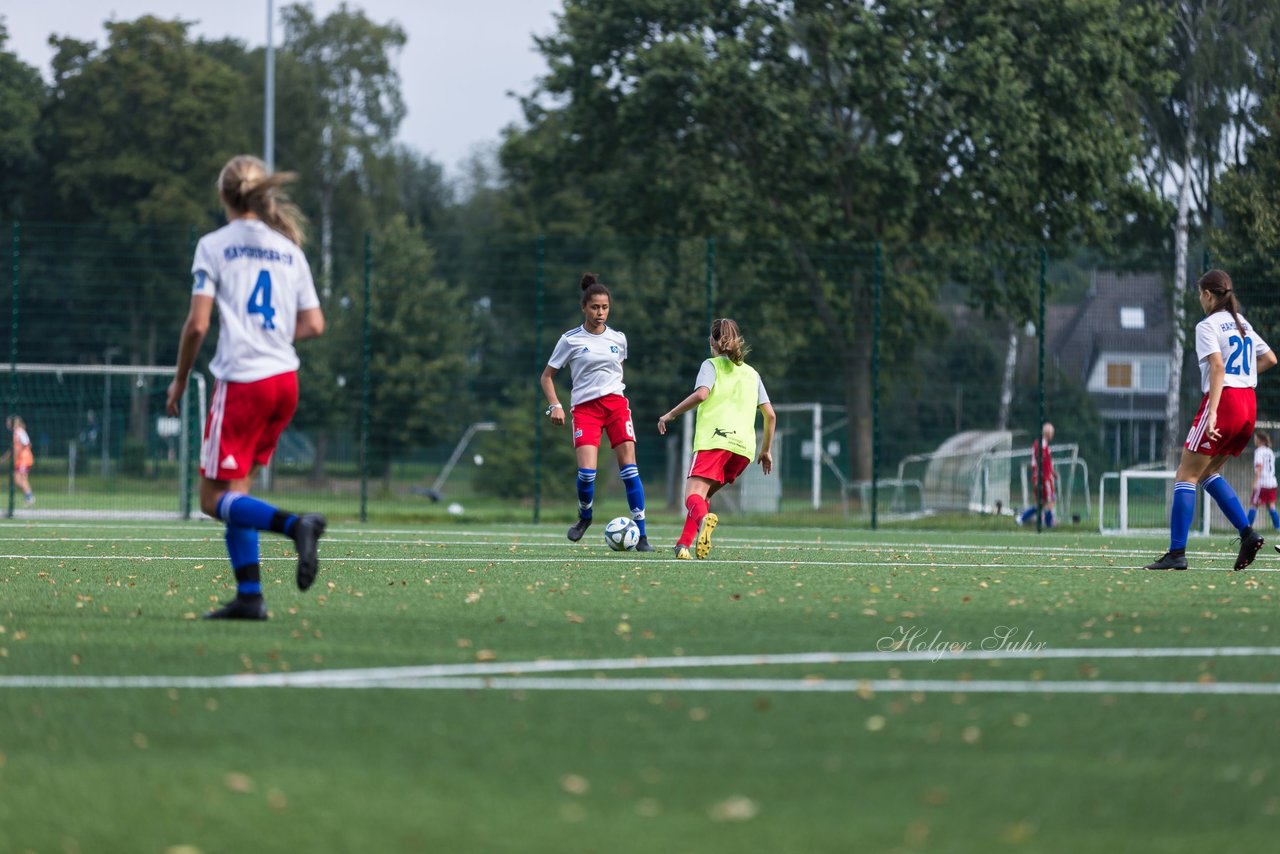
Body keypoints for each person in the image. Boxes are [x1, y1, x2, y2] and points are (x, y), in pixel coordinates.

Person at [165, 155, 328, 620]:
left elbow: (197, 326)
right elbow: (314, 324)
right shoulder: (289, 249)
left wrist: (179, 381)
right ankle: (250, 597)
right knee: (237, 493)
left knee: (212, 500)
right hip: (284, 383)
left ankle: (297, 526)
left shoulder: (214, 245)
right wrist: (273, 338)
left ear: (223, 195)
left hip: (243, 382)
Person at [1146, 269, 1277, 570]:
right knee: (1206, 474)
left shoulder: (1207, 326)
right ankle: (1247, 533)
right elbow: (1270, 358)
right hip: (1248, 406)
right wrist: (1244, 377)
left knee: (1185, 474)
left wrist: (1214, 412)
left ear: (1207, 294)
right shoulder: (1242, 323)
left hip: (1226, 401)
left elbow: (1217, 367)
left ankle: (1177, 553)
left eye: (1199, 295)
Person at [540, 273, 654, 551]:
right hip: (585, 410)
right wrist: (555, 405)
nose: (600, 312)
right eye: (594, 307)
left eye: (604, 307)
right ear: (584, 308)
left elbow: (617, 371)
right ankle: (585, 518)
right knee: (587, 474)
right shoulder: (570, 340)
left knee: (630, 470)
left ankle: (642, 535)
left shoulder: (619, 338)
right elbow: (546, 377)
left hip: (616, 406)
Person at [657, 318, 776, 560]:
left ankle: (703, 521)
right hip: (743, 450)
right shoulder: (753, 374)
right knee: (704, 496)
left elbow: (702, 394)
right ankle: (683, 546)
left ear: (712, 341)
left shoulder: (711, 365)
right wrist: (766, 451)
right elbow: (770, 415)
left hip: (714, 442)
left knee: (691, 495)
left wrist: (671, 414)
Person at [1017, 422, 1055, 528]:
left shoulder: (1041, 444)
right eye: (1052, 433)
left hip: (1042, 477)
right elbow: (1040, 462)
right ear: (1048, 433)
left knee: (1041, 504)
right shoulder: (1041, 445)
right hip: (1043, 478)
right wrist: (1041, 478)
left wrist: (1052, 472)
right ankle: (1049, 525)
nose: (1052, 435)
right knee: (1049, 501)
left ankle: (1021, 519)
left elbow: (1045, 463)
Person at [1248, 430, 1280, 532]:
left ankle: (1247, 528)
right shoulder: (1270, 451)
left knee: (1254, 504)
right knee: (1271, 505)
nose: (1255, 440)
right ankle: (1278, 527)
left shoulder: (1259, 451)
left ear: (1260, 440)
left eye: (1256, 438)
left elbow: (1259, 467)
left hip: (1262, 483)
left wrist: (1255, 483)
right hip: (1272, 482)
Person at [0, 415, 36, 505]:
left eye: (8, 422)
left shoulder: (19, 431)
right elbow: (13, 449)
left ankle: (29, 497)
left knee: (20, 479)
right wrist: (4, 458)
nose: (7, 424)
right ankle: (28, 497)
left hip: (24, 459)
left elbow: (27, 443)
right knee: (19, 479)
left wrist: (18, 453)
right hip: (20, 460)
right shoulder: (16, 433)